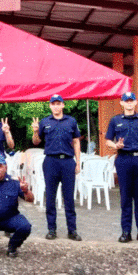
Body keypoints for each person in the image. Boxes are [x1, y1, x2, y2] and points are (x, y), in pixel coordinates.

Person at [105, 91, 138, 244]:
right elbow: (108, 141)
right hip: (124, 159)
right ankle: (126, 232)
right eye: (125, 101)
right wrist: (116, 145)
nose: (128, 103)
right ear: (121, 103)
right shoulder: (115, 120)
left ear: (135, 102)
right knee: (126, 197)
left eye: (131, 101)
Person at [31, 94, 82, 241]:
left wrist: (78, 162)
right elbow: (36, 142)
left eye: (59, 103)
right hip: (51, 162)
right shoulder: (45, 122)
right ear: (50, 106)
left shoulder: (71, 121)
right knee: (50, 197)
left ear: (63, 105)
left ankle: (72, 230)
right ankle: (51, 229)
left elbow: (76, 142)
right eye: (53, 104)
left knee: (69, 198)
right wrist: (35, 131)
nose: (56, 106)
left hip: (67, 162)